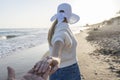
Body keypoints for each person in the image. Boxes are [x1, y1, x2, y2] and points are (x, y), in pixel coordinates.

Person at [34, 3, 81, 80]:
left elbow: (59, 40)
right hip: (68, 71)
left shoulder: (56, 28)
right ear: (69, 15)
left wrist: (54, 59)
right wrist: (55, 58)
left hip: (56, 71)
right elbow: (58, 41)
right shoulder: (63, 29)